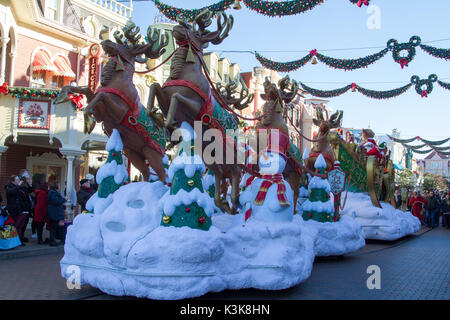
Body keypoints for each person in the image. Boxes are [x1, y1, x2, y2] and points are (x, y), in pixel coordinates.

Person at [5, 175, 27, 245]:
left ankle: (18, 241)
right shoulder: (9, 186)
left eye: (18, 179)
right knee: (14, 226)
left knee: (19, 226)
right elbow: (11, 192)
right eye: (17, 180)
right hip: (13, 210)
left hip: (19, 209)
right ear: (12, 181)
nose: (18, 181)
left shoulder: (19, 188)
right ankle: (11, 241)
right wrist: (18, 186)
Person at [47, 182, 66, 246]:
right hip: (54, 213)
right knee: (53, 228)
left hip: (55, 213)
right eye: (59, 185)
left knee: (55, 227)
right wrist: (64, 199)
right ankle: (52, 241)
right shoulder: (53, 193)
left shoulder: (53, 193)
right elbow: (56, 201)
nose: (60, 186)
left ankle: (54, 239)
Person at [17, 174, 34, 242]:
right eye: (27, 180)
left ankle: (22, 236)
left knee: (24, 224)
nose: (28, 180)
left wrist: (30, 184)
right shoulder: (21, 189)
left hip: (27, 209)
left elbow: (31, 190)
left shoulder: (26, 188)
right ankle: (19, 238)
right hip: (23, 209)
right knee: (21, 225)